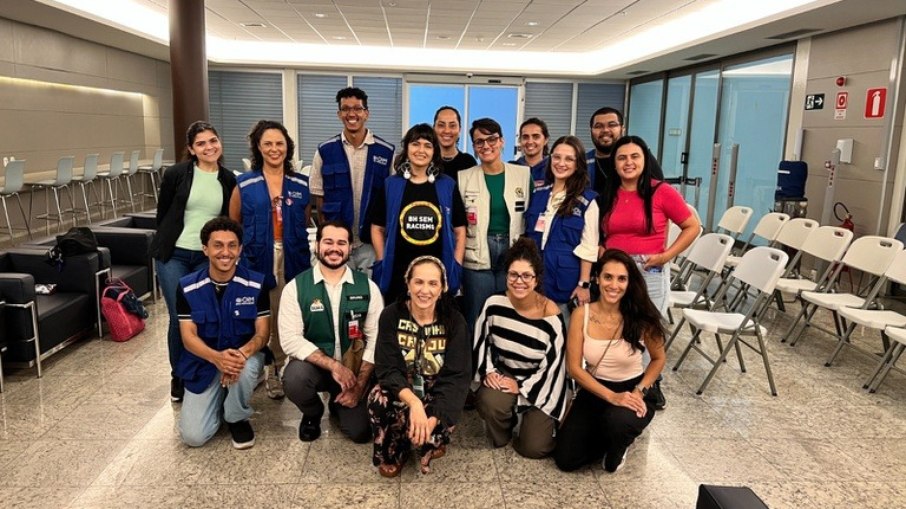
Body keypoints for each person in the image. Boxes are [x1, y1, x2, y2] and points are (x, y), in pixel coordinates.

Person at [599, 135, 700, 410]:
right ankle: (618, 389)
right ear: (614, 164)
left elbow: (692, 226)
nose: (628, 162)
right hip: (614, 271)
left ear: (645, 160)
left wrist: (667, 255)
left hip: (648, 270)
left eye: (635, 156)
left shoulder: (661, 191)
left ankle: (641, 391)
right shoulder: (609, 193)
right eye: (622, 158)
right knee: (617, 330)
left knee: (645, 333)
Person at [553, 249, 666, 472]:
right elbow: (574, 368)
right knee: (566, 460)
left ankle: (620, 444)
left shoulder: (642, 315)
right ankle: (608, 432)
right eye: (608, 277)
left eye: (621, 279)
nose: (614, 285)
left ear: (629, 282)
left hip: (633, 387)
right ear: (597, 278)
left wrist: (639, 391)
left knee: (618, 424)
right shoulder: (581, 314)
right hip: (595, 388)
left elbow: (658, 359)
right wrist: (612, 397)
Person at [151, 121, 237, 403]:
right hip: (174, 254)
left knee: (203, 315)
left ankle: (201, 369)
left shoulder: (228, 178)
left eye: (213, 140)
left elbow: (229, 219)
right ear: (191, 149)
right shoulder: (176, 174)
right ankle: (178, 374)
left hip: (206, 257)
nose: (208, 147)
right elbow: (163, 214)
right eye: (201, 143)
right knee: (180, 316)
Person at [279, 220, 384, 443]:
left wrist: (359, 385)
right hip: (315, 368)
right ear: (317, 245)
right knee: (294, 379)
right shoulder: (295, 288)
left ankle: (339, 404)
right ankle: (312, 412)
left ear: (350, 247)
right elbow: (290, 340)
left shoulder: (368, 287)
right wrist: (335, 366)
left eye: (341, 243)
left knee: (361, 432)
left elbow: (377, 338)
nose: (334, 248)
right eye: (328, 242)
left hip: (354, 370)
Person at [229, 119, 311, 400]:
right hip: (258, 258)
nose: (274, 149)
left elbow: (306, 219)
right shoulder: (244, 184)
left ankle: (292, 365)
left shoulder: (300, 183)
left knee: (293, 312)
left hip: (294, 256)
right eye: (268, 144)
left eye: (280, 143)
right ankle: (269, 368)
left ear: (288, 147)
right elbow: (234, 224)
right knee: (265, 314)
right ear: (258, 147)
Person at [368, 256, 470, 478]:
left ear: (442, 288)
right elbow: (387, 368)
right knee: (378, 398)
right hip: (402, 389)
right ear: (408, 284)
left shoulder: (455, 321)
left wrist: (431, 419)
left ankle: (430, 439)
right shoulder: (391, 315)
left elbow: (457, 377)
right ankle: (395, 450)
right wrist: (414, 403)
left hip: (437, 391)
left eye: (433, 283)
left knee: (445, 406)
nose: (425, 290)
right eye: (419, 282)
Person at [176, 217, 269, 449]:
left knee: (244, 369)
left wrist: (240, 355)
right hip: (204, 363)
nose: (225, 252)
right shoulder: (187, 287)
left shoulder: (257, 284)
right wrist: (217, 358)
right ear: (205, 249)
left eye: (232, 245)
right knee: (194, 437)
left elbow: (262, 334)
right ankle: (219, 401)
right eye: (218, 245)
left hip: (243, 358)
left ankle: (236, 417)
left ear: (240, 249)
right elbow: (188, 337)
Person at [473, 238, 569, 458]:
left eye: (526, 276)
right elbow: (480, 341)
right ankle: (504, 429)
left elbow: (554, 367)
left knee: (534, 448)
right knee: (489, 402)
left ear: (536, 279)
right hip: (507, 372)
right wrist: (489, 371)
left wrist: (522, 387)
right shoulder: (494, 304)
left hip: (541, 383)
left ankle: (533, 422)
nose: (519, 281)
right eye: (513, 275)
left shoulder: (551, 317)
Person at [371, 123, 467, 302]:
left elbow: (460, 231)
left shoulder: (447, 185)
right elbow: (377, 228)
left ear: (434, 151)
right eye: (415, 144)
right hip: (397, 273)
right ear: (407, 148)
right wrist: (382, 260)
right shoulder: (391, 185)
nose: (421, 150)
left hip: (438, 274)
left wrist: (456, 264)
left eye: (427, 145)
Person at [309, 87, 394, 273]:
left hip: (371, 243)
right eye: (346, 109)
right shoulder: (325, 151)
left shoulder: (386, 152)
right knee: (336, 289)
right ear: (339, 114)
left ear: (366, 113)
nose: (351, 114)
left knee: (370, 289)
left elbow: (392, 199)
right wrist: (325, 236)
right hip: (337, 243)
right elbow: (319, 197)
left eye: (357, 108)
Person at [458, 118, 532, 329]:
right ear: (474, 147)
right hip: (477, 251)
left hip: (512, 249)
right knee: (477, 316)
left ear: (502, 141)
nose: (486, 146)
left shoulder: (523, 174)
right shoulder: (463, 178)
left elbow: (531, 214)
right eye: (479, 142)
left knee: (508, 315)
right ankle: (475, 352)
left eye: (491, 139)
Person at [523, 136, 599, 320]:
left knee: (563, 332)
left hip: (564, 284)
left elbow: (589, 246)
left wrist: (584, 284)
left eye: (569, 159)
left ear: (578, 164)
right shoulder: (538, 194)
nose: (561, 163)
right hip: (532, 281)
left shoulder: (587, 201)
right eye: (556, 157)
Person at [586, 107, 663, 196]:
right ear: (591, 131)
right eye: (598, 126)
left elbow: (660, 191)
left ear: (622, 129)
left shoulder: (640, 158)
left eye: (612, 125)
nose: (605, 130)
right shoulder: (583, 162)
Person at [433, 106, 477, 175]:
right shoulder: (426, 161)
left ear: (459, 129)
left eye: (452, 126)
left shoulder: (468, 162)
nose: (447, 131)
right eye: (441, 125)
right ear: (434, 128)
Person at [511, 117, 550, 191]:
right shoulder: (511, 169)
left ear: (546, 140)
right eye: (525, 137)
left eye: (536, 137)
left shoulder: (553, 169)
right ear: (520, 140)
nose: (530, 141)